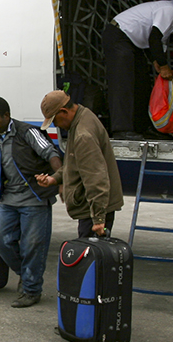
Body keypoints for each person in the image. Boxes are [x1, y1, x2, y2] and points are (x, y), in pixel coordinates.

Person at [0, 96, 62, 308]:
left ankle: (32, 290)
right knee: (0, 240)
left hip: (34, 198)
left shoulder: (28, 132)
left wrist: (59, 176)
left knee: (32, 245)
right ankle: (26, 276)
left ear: (7, 116)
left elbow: (50, 152)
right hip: (8, 199)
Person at [102, 0, 173, 139]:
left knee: (142, 84)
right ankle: (121, 130)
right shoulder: (169, 10)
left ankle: (141, 127)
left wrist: (155, 60)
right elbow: (154, 37)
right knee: (123, 84)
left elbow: (154, 40)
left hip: (133, 42)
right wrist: (164, 65)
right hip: (119, 35)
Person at [36, 90, 124, 238]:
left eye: (54, 120)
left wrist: (98, 219)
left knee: (89, 257)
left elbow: (96, 178)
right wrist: (55, 178)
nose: (56, 125)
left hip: (93, 212)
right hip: (94, 209)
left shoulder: (83, 135)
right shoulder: (81, 117)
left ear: (63, 111)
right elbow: (74, 163)